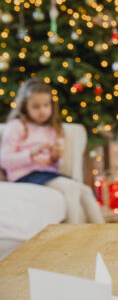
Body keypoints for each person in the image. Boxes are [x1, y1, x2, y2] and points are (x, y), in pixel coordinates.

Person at [0, 78, 104, 224]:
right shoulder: (17, 126)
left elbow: (55, 165)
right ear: (24, 107)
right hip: (24, 175)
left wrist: (55, 158)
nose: (42, 110)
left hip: (46, 174)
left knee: (86, 191)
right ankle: (72, 232)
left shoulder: (53, 129)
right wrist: (31, 154)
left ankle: (103, 231)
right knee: (71, 188)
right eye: (36, 106)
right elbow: (4, 160)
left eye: (46, 105)